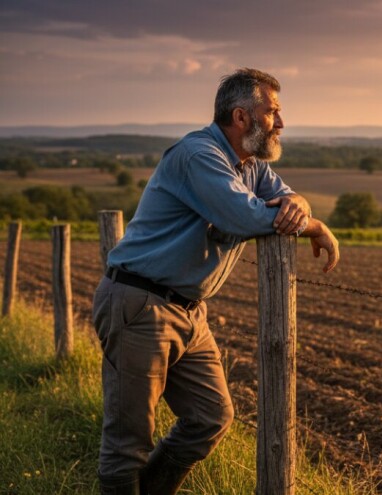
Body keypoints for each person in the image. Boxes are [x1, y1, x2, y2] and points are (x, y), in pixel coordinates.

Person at [92, 68, 339, 494]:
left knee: (210, 418)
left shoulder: (249, 166)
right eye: (273, 112)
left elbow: (284, 197)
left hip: (189, 312)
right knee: (127, 444)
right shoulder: (199, 154)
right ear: (241, 117)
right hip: (140, 303)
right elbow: (245, 216)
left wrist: (301, 203)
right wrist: (314, 225)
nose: (281, 122)